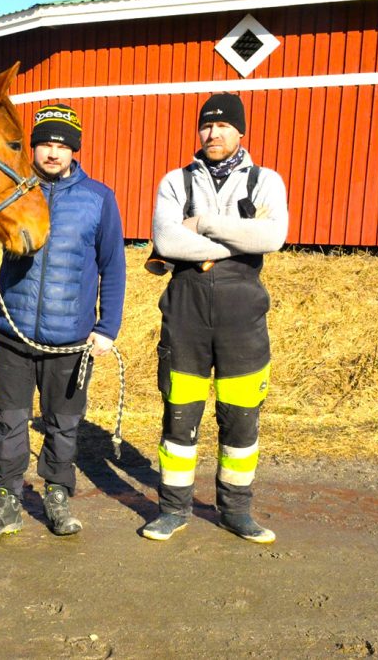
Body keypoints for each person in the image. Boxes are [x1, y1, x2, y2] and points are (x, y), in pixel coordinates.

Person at [0, 103, 126, 540]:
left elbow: (113, 265)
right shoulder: (12, 190)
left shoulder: (98, 199)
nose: (52, 152)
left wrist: (106, 329)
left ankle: (56, 494)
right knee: (10, 423)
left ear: (74, 151)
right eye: (45, 143)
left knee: (62, 424)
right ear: (33, 147)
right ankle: (6, 503)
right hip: (13, 334)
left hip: (70, 340)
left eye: (61, 145)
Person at [140, 93, 288, 543]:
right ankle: (173, 509)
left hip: (242, 317)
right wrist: (240, 241)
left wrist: (202, 224)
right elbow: (166, 241)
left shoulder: (265, 181)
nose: (213, 133)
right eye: (206, 126)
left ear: (240, 132)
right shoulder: (174, 182)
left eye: (223, 126)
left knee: (241, 419)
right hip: (185, 315)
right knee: (179, 416)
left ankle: (236, 511)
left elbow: (273, 235)